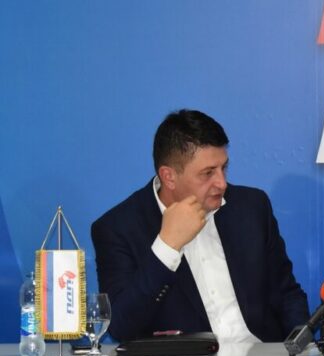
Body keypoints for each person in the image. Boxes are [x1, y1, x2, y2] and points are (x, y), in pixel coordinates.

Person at [91, 109, 309, 342]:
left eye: (223, 168)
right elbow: (121, 327)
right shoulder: (118, 228)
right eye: (208, 173)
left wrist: (300, 345)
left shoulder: (252, 207)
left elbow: (286, 293)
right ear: (169, 177)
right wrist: (167, 246)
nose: (222, 183)